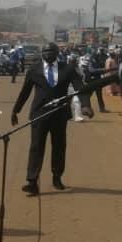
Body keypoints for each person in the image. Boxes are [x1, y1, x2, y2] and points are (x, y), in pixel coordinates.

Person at [12, 43, 93, 196]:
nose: (48, 53)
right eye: (45, 51)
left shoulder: (67, 69)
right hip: (39, 114)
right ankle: (32, 181)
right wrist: (16, 110)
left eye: (51, 51)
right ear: (42, 53)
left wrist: (86, 105)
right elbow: (25, 92)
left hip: (60, 114)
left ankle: (57, 177)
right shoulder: (34, 69)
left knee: (59, 147)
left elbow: (80, 87)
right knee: (36, 147)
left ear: (57, 53)